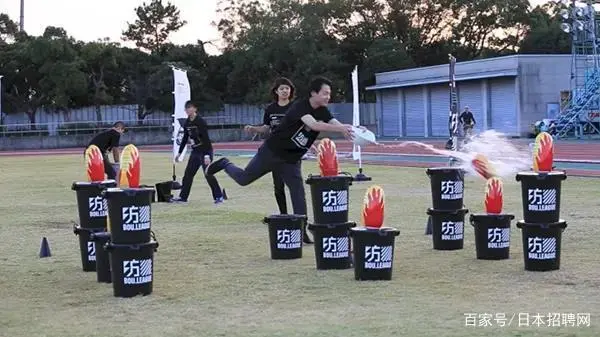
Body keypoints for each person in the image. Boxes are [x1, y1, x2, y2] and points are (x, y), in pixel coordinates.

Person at [204, 76, 356, 243]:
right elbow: (314, 125)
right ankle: (225, 163)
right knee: (243, 179)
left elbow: (336, 123)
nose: (328, 97)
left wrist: (351, 129)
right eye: (325, 93)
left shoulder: (322, 110)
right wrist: (342, 128)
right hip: (271, 152)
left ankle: (301, 230)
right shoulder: (300, 107)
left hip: (291, 160)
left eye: (329, 94)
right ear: (314, 93)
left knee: (298, 193)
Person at [244, 77, 295, 214]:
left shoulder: (296, 107)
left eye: (287, 88)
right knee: (278, 185)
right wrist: (254, 129)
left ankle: (299, 216)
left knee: (295, 185)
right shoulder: (270, 109)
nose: (285, 91)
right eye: (282, 88)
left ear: (291, 91)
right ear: (276, 91)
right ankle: (284, 214)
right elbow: (266, 128)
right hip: (275, 151)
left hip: (291, 152)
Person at [171, 101, 225, 204]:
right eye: (186, 108)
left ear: (195, 109)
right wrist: (179, 153)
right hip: (195, 152)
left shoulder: (200, 122)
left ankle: (218, 196)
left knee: (208, 174)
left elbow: (206, 139)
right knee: (188, 175)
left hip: (205, 151)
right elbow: (185, 138)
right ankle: (183, 197)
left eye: (190, 108)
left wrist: (206, 155)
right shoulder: (187, 123)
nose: (187, 110)